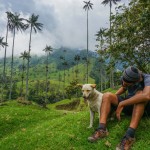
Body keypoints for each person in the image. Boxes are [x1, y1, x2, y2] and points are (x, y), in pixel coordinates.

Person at [88, 66, 150, 150]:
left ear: (136, 81)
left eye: (127, 84)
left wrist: (122, 103)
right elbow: (123, 88)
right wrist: (112, 99)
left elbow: (146, 96)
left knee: (140, 95)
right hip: (128, 105)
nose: (124, 84)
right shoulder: (127, 78)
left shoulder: (147, 78)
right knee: (107, 95)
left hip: (143, 108)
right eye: (123, 81)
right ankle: (102, 129)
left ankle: (129, 136)